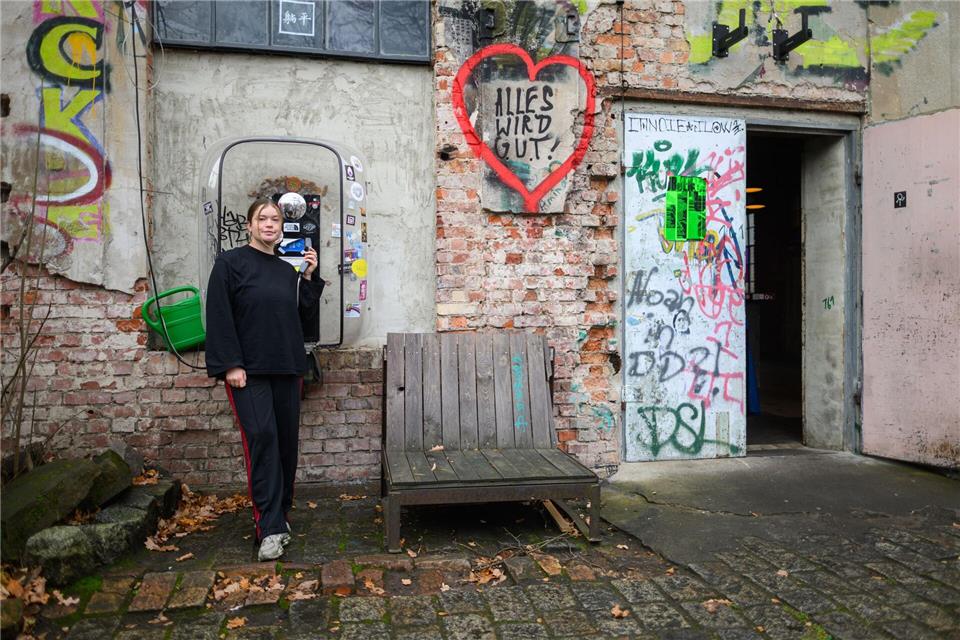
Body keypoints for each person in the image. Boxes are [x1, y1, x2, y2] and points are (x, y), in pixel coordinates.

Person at [205, 197, 324, 561]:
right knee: (262, 439)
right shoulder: (230, 263)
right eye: (262, 218)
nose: (269, 224)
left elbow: (302, 318)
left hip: (288, 368)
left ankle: (280, 515)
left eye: (274, 219)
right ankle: (268, 527)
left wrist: (307, 276)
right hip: (248, 371)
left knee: (287, 445)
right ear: (249, 225)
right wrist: (231, 365)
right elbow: (219, 315)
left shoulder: (285, 270)